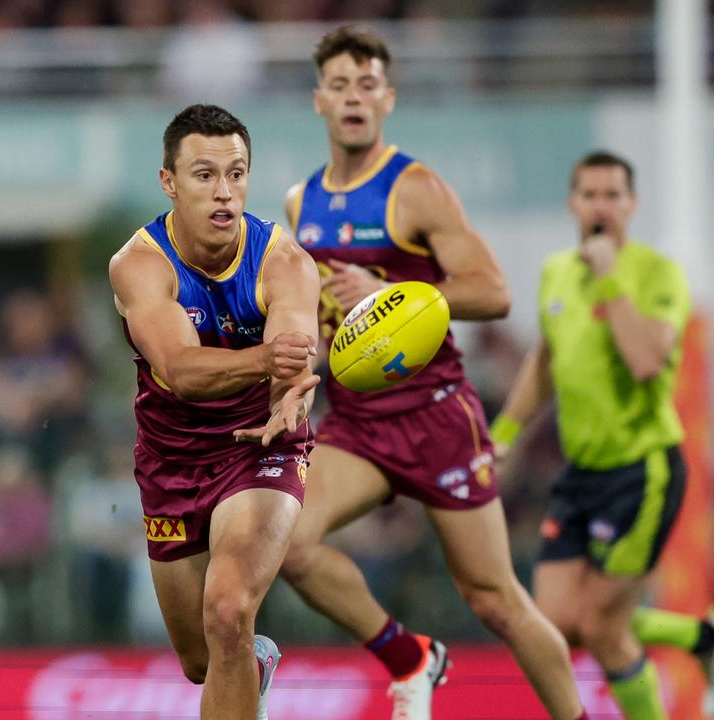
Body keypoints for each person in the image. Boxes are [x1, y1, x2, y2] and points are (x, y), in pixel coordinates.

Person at [280, 27, 586, 719]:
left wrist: (394, 293)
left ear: (387, 99)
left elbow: (494, 290)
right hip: (357, 424)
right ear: (318, 101)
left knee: (495, 601)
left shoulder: (415, 189)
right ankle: (409, 658)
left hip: (438, 416)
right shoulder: (302, 202)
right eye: (340, 86)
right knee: (288, 545)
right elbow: (311, 308)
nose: (354, 98)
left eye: (367, 85)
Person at [109, 104, 321, 719]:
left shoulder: (285, 263)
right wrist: (269, 360)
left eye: (236, 173)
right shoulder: (139, 264)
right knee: (203, 659)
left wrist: (293, 397)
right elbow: (179, 371)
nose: (224, 192)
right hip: (171, 458)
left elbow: (294, 359)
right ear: (169, 182)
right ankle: (249, 663)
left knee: (228, 608)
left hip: (262, 447)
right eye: (204, 175)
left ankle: (240, 650)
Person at [493, 150, 714, 720]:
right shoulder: (555, 273)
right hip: (582, 472)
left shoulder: (655, 273)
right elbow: (546, 359)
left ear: (631, 205)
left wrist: (609, 277)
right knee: (554, 625)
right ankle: (697, 636)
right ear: (573, 203)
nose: (601, 206)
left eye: (613, 195)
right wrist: (505, 434)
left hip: (643, 470)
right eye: (589, 194)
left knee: (603, 627)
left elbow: (645, 360)